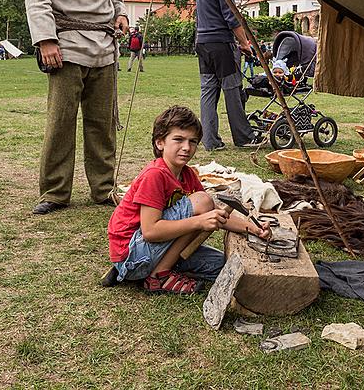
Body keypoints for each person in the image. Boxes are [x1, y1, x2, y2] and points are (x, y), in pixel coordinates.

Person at [25, 0, 129, 215]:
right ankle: (55, 192)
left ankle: (103, 189)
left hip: (103, 49)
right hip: (66, 46)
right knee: (61, 123)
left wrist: (121, 13)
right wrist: (46, 40)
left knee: (102, 125)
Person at [103, 105, 270, 292]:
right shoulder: (155, 175)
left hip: (159, 250)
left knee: (226, 266)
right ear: (160, 143)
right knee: (203, 201)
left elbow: (214, 212)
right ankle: (159, 276)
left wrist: (253, 229)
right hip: (133, 254)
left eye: (193, 141)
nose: (186, 148)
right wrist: (198, 222)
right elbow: (150, 231)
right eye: (178, 140)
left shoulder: (187, 174)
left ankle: (163, 267)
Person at [195, 0, 262, 150]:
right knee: (232, 90)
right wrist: (244, 43)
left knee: (208, 91)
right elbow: (231, 17)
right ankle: (244, 138)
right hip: (221, 44)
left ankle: (210, 141)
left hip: (202, 42)